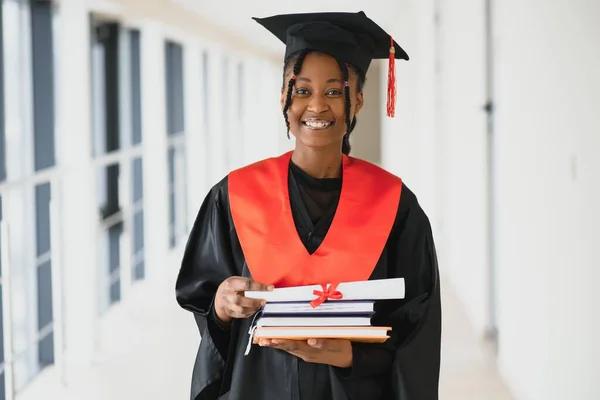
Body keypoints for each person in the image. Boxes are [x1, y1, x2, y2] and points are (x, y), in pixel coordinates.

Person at [176, 11, 441, 400]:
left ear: (359, 100)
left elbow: (415, 331)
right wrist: (221, 304)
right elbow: (206, 304)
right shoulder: (233, 196)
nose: (316, 105)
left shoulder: (396, 206)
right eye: (301, 89)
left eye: (335, 91)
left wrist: (351, 354)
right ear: (284, 96)